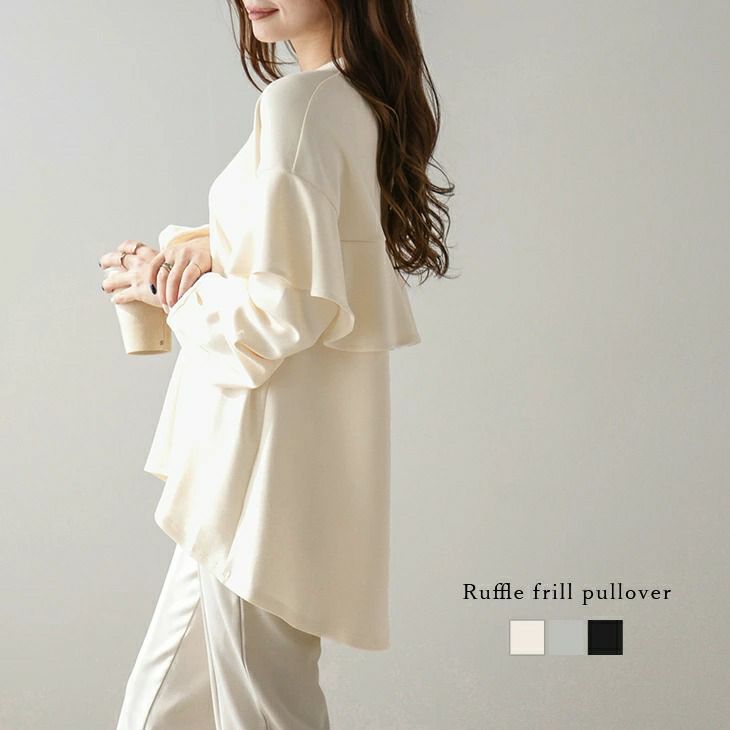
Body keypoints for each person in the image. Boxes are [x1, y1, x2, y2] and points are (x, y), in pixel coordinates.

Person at [99, 1, 454, 727]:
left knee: (261, 710)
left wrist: (163, 289)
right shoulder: (354, 102)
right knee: (161, 710)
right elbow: (313, 261)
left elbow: (279, 313)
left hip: (255, 468)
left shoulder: (300, 104)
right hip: (267, 463)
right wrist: (204, 250)